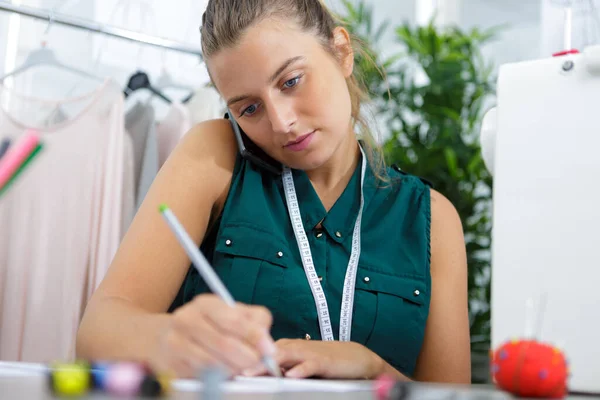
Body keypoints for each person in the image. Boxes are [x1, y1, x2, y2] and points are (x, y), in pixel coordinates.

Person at [76, 0, 470, 383]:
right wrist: (167, 337)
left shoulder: (432, 220)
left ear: (342, 52)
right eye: (249, 109)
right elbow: (98, 331)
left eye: (291, 81)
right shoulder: (216, 156)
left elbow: (452, 396)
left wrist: (372, 367)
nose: (281, 123)